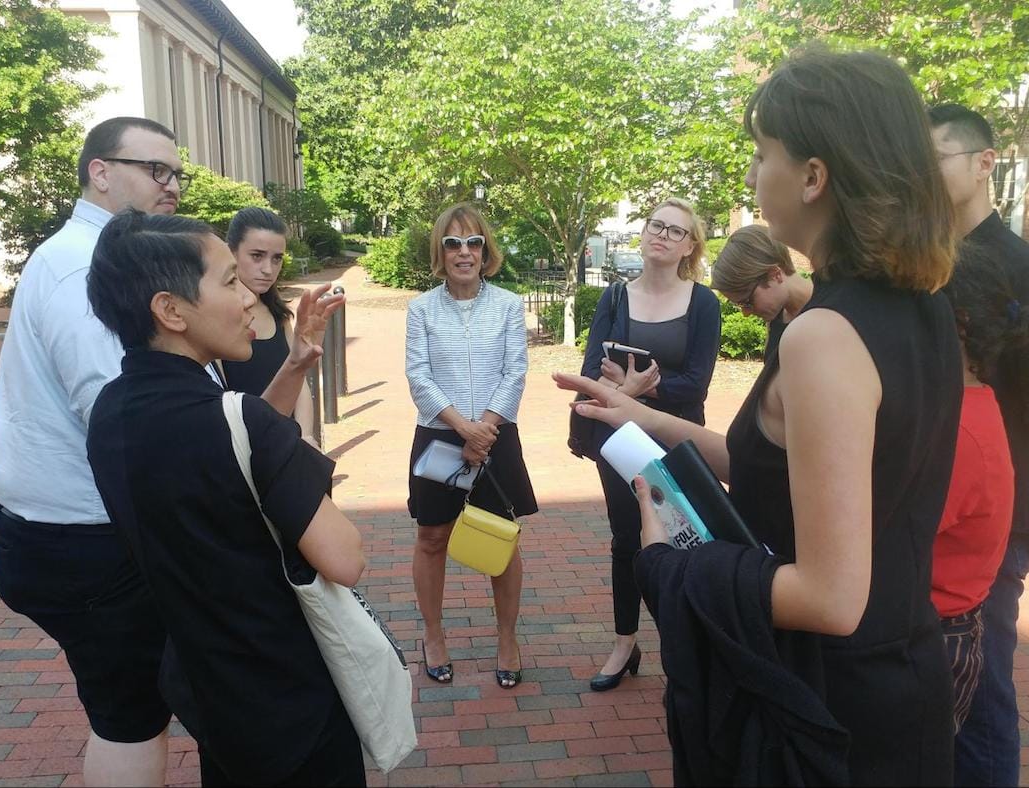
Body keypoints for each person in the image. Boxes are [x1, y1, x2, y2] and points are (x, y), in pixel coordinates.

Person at [558, 49, 962, 784]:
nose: (750, 176)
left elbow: (831, 598)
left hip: (822, 711)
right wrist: (635, 416)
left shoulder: (822, 336)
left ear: (813, 177)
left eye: (760, 153)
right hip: (901, 679)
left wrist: (672, 562)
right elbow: (783, 472)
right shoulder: (925, 309)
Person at [85, 209, 364, 786]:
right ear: (170, 309)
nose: (246, 300)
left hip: (209, 686)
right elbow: (346, 558)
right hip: (287, 687)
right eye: (229, 280)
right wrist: (298, 458)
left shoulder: (111, 412)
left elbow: (231, 445)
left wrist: (292, 365)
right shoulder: (237, 422)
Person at [0, 116, 186, 786]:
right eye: (157, 170)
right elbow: (119, 415)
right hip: (84, 539)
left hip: (65, 530)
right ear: (101, 172)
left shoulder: (92, 256)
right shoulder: (84, 265)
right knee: (130, 715)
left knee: (127, 707)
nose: (173, 186)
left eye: (177, 172)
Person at [930, 103, 1029, 787]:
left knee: (985, 701)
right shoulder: (930, 259)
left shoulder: (1018, 266)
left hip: (996, 523)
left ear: (983, 162)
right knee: (946, 697)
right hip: (939, 510)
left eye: (932, 157)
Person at [580, 197, 721, 692]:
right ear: (642, 235)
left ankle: (681, 645)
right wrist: (632, 390)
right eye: (655, 225)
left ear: (689, 247)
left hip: (677, 438)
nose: (662, 235)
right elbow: (590, 370)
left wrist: (640, 389)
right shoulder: (614, 297)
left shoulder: (702, 303)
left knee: (682, 538)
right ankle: (624, 642)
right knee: (627, 540)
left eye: (675, 231)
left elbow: (697, 384)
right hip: (617, 439)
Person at [405, 202, 538, 689]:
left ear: (486, 251)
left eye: (473, 242)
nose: (464, 252)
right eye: (453, 243)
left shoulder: (506, 305)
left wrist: (484, 429)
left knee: (502, 537)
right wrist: (464, 428)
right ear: (441, 252)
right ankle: (434, 635)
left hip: (496, 434)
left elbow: (515, 371)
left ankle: (507, 638)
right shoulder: (420, 308)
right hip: (441, 435)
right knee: (432, 537)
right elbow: (418, 376)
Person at [933, 243, 1029, 736]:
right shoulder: (968, 404)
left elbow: (885, 535)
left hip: (935, 636)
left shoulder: (957, 431)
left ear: (957, 323)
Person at [218, 206, 316, 444]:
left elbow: (299, 379)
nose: (268, 269)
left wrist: (305, 436)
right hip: (241, 447)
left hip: (287, 443)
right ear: (231, 253)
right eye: (257, 256)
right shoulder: (217, 318)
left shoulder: (279, 314)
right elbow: (219, 394)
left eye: (277, 258)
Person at [711, 224, 813, 359]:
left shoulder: (834, 312)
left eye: (747, 302)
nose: (746, 313)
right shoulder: (777, 318)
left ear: (775, 274)